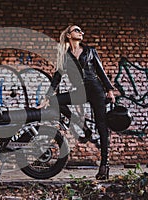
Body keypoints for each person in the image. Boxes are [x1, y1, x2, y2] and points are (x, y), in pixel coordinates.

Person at [41, 25, 115, 180]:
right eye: (77, 30)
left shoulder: (90, 51)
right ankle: (82, 126)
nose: (81, 32)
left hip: (96, 90)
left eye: (81, 31)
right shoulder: (65, 56)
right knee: (55, 101)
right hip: (80, 91)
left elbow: (100, 71)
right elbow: (57, 77)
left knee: (102, 126)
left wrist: (109, 90)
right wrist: (47, 96)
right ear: (69, 35)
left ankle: (104, 166)